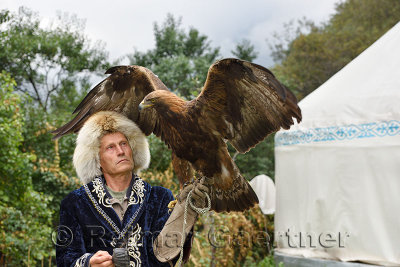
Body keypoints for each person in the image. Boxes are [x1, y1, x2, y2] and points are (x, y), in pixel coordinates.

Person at [56, 111, 208, 267]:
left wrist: (187, 211)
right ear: (97, 160)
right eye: (110, 147)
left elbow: (170, 256)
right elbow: (64, 259)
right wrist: (88, 262)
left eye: (123, 143)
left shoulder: (160, 197)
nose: (120, 151)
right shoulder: (75, 203)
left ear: (132, 149)